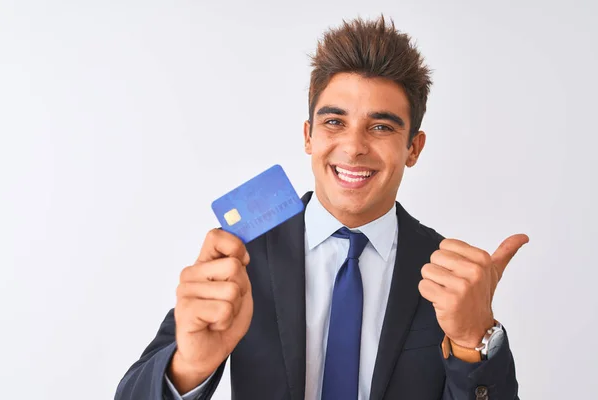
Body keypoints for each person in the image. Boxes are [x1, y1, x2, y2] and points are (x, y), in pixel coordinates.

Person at [115, 15, 527, 400]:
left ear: (413, 148)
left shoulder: (447, 275)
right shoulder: (243, 255)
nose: (353, 147)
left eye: (381, 126)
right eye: (334, 122)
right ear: (309, 136)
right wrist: (190, 366)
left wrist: (475, 341)